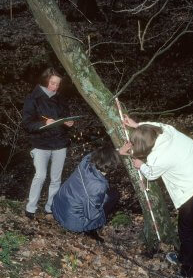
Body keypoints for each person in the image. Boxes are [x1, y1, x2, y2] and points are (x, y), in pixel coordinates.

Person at [120, 115, 193, 278]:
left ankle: (190, 271)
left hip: (192, 190)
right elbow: (154, 124)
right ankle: (185, 258)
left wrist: (140, 164)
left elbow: (151, 174)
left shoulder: (159, 157)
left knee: (188, 230)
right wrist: (136, 125)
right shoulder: (167, 131)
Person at [22, 67, 74, 219]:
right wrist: (43, 124)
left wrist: (68, 123)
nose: (55, 87)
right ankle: (30, 209)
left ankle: (49, 209)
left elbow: (65, 117)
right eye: (52, 83)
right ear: (45, 80)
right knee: (40, 176)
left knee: (56, 179)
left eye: (58, 84)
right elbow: (27, 123)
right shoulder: (33, 98)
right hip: (41, 143)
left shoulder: (60, 99)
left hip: (60, 143)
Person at [52, 146, 120, 241]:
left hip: (57, 206)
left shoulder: (86, 162)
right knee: (113, 195)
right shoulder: (99, 185)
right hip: (71, 222)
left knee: (90, 196)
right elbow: (92, 215)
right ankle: (91, 230)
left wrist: (118, 151)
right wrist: (102, 208)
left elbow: (92, 154)